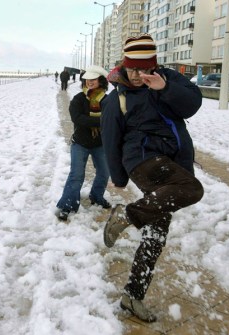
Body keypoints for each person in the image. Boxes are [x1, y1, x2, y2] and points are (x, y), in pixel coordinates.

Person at [100, 35, 204, 322]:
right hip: (142, 160)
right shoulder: (116, 98)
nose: (138, 76)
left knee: (156, 234)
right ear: (124, 66)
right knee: (192, 189)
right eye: (133, 69)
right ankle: (128, 214)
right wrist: (119, 178)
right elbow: (110, 140)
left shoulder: (167, 79)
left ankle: (132, 296)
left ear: (154, 66)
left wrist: (166, 88)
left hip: (171, 163)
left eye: (144, 69)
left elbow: (192, 105)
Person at [55, 65, 111, 221]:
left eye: (93, 79)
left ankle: (97, 196)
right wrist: (101, 121)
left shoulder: (107, 100)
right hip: (80, 143)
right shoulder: (79, 99)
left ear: (100, 81)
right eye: (87, 80)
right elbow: (77, 119)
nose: (89, 82)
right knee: (76, 175)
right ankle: (68, 205)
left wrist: (101, 122)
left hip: (100, 143)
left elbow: (113, 120)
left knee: (104, 172)